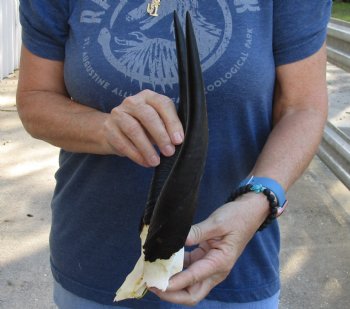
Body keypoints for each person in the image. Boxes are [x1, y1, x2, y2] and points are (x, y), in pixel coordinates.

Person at [17, 1, 331, 308]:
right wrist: (105, 129)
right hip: (94, 264)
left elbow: (303, 107)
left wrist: (260, 197)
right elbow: (35, 98)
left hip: (234, 268)